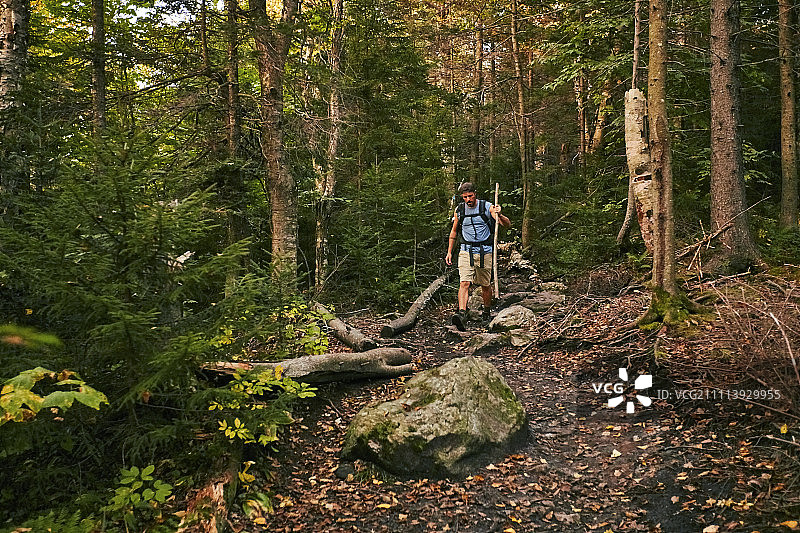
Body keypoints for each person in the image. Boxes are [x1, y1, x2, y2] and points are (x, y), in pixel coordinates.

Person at [445, 182, 511, 331]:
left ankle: (486, 312)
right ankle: (462, 313)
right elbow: (454, 232)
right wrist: (449, 252)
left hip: (484, 251)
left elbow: (506, 224)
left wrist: (499, 214)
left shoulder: (487, 207)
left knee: (485, 285)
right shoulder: (460, 210)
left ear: (475, 193)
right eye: (465, 197)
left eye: (470, 196)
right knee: (464, 283)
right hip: (465, 250)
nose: (468, 199)